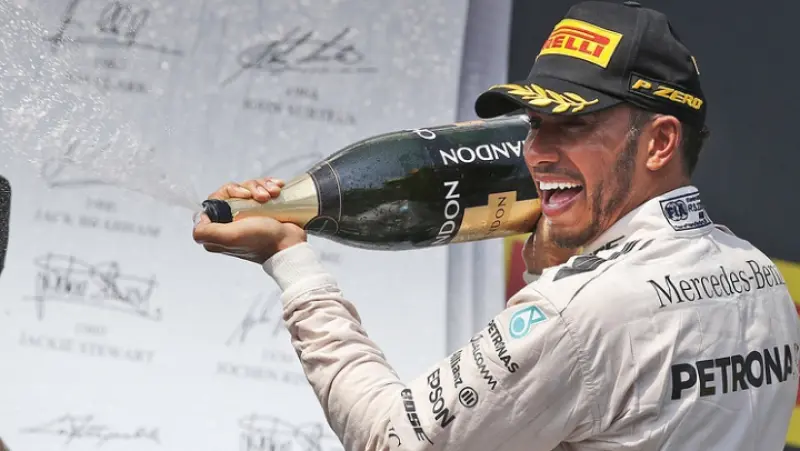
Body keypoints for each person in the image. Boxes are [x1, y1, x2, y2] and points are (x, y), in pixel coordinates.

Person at [192, 1, 800, 450]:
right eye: (534, 125)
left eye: (573, 125)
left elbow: (389, 438)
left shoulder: (579, 314)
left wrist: (292, 263)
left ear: (660, 142)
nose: (537, 153)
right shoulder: (759, 278)